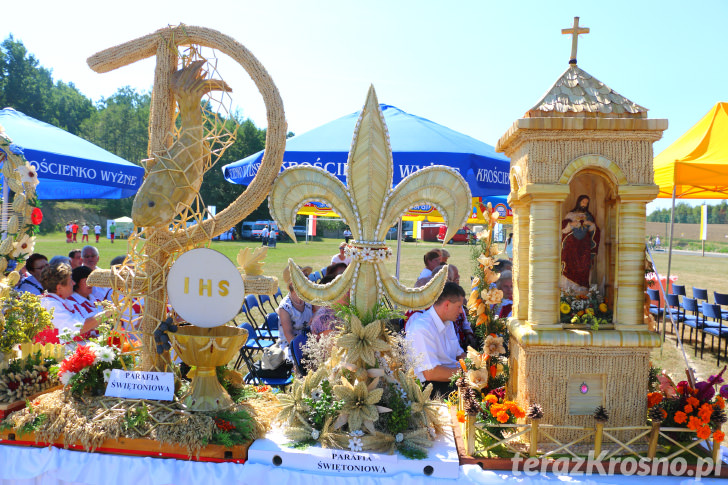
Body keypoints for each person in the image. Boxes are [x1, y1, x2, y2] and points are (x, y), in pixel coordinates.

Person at [405, 282, 466, 397]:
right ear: (447, 305)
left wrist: (475, 364)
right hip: (428, 388)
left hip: (449, 379)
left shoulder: (448, 322)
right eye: (459, 306)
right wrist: (465, 372)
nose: (461, 311)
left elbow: (459, 354)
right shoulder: (422, 328)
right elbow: (430, 373)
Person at [39, 263, 108, 336]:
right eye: (70, 282)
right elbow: (77, 328)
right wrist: (107, 313)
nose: (74, 283)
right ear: (59, 288)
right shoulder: (51, 304)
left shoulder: (57, 302)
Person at [560, 195, 600, 295]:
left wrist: (591, 225)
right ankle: (568, 293)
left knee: (585, 265)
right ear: (579, 202)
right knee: (569, 265)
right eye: (583, 202)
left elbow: (594, 232)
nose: (584, 205)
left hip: (584, 246)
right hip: (572, 245)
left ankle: (582, 293)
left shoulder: (589, 216)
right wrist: (571, 224)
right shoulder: (570, 215)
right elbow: (563, 228)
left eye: (586, 203)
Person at [276, 265, 314, 357]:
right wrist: (305, 350)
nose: (308, 278)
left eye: (306, 275)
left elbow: (319, 312)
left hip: (309, 340)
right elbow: (289, 336)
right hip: (291, 345)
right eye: (303, 277)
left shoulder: (309, 298)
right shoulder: (285, 307)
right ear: (292, 284)